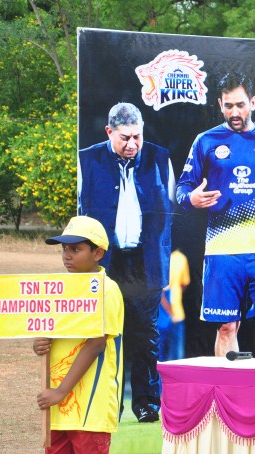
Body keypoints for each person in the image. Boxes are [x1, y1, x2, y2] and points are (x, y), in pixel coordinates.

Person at [32, 216, 124, 454]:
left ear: (98, 253)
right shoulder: (62, 289)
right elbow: (56, 335)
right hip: (59, 400)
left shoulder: (107, 290)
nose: (67, 256)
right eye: (64, 250)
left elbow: (95, 344)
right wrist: (41, 342)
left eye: (76, 249)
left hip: (89, 401)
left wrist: (60, 392)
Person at [78, 102, 173, 423]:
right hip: (106, 263)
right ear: (109, 132)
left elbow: (169, 214)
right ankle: (110, 405)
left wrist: (162, 262)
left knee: (146, 337)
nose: (132, 144)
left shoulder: (160, 158)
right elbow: (80, 215)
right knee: (106, 336)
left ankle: (147, 405)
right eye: (125, 138)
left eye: (137, 136)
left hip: (147, 263)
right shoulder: (87, 160)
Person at [176, 71, 255, 358]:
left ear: (253, 103)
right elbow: (182, 188)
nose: (235, 112)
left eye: (241, 105)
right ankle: (229, 387)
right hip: (222, 249)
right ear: (220, 105)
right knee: (226, 327)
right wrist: (191, 198)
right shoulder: (206, 141)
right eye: (229, 106)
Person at [158, 248, 190, 362]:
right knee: (176, 355)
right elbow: (184, 283)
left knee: (161, 355)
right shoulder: (181, 258)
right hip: (174, 314)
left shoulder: (160, 257)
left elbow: (160, 292)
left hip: (163, 316)